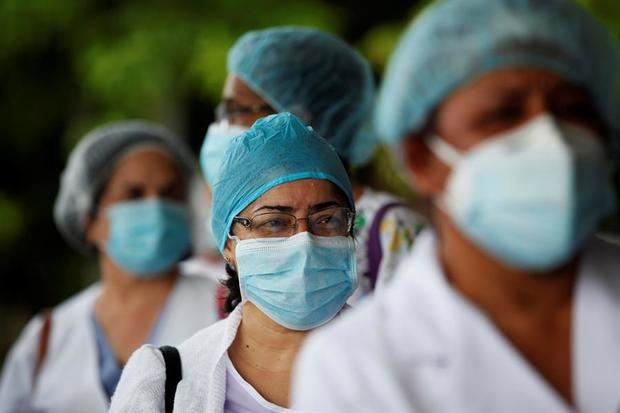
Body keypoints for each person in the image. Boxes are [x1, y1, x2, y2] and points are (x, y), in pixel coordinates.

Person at [292, 0, 620, 412]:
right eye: (503, 114)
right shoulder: (355, 368)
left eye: (573, 111)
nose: (551, 138)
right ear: (421, 158)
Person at [109, 112, 358, 412]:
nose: (304, 240)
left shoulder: (403, 362)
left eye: (327, 219)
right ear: (229, 244)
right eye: (275, 222)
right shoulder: (166, 384)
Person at [0, 121, 219, 412]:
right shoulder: (46, 339)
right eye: (134, 195)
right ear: (89, 220)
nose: (156, 207)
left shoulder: (226, 309)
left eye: (171, 194)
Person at [200, 26, 423, 302]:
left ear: (300, 115)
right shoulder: (245, 225)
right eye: (276, 221)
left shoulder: (392, 229)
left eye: (238, 111)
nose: (225, 126)